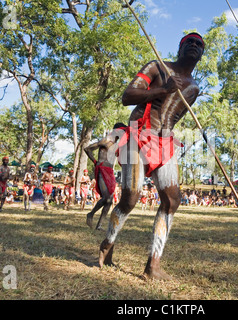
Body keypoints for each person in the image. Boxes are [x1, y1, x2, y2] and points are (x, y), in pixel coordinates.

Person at [98, 32, 205, 280]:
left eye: (199, 44)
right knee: (130, 198)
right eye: (189, 41)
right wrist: (162, 90)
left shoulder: (194, 87)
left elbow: (172, 117)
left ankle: (153, 266)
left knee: (172, 201)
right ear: (180, 47)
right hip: (138, 132)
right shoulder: (157, 66)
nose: (194, 46)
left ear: (202, 54)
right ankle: (107, 244)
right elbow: (127, 96)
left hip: (165, 140)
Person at [85, 124, 122, 230]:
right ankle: (91, 214)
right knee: (107, 198)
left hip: (110, 172)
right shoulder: (106, 140)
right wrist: (96, 162)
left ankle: (99, 225)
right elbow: (88, 149)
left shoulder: (116, 144)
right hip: (102, 170)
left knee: (109, 200)